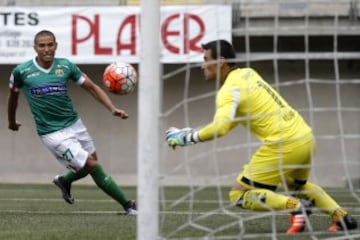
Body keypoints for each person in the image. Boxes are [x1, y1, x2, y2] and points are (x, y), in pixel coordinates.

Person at [165, 39, 357, 233]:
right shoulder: (248, 74)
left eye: (205, 59)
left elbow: (220, 128)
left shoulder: (229, 90)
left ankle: (297, 207)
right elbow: (232, 121)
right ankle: (342, 218)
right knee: (297, 186)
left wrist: (187, 138)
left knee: (238, 193)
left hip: (283, 143)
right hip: (305, 137)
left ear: (221, 61)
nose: (202, 65)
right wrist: (191, 132)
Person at [7, 30, 137, 215]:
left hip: (74, 124)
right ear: (35, 48)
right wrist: (11, 121)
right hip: (51, 133)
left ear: (56, 45)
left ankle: (65, 181)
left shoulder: (66, 66)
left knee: (92, 162)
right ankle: (128, 205)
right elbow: (13, 98)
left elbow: (91, 87)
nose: (46, 49)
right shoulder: (21, 72)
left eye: (50, 44)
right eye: (42, 45)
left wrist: (112, 108)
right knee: (92, 165)